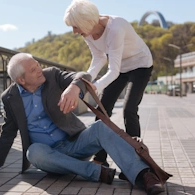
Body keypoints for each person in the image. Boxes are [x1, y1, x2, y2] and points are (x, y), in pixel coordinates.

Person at [0, 53, 164, 195]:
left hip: (76, 143)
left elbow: (83, 75)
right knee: (33, 152)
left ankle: (143, 175)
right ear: (21, 80)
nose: (39, 70)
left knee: (100, 127)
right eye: (33, 70)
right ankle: (97, 172)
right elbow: (7, 132)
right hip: (49, 156)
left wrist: (74, 87)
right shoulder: (10, 97)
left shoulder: (51, 75)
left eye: (37, 65)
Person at [63, 0, 153, 167]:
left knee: (129, 110)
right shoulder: (88, 32)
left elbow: (113, 70)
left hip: (140, 65)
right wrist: (86, 81)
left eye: (76, 27)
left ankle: (137, 161)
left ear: (86, 22)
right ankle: (100, 158)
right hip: (121, 67)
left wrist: (96, 86)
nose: (74, 32)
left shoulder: (115, 28)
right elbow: (99, 58)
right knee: (102, 111)